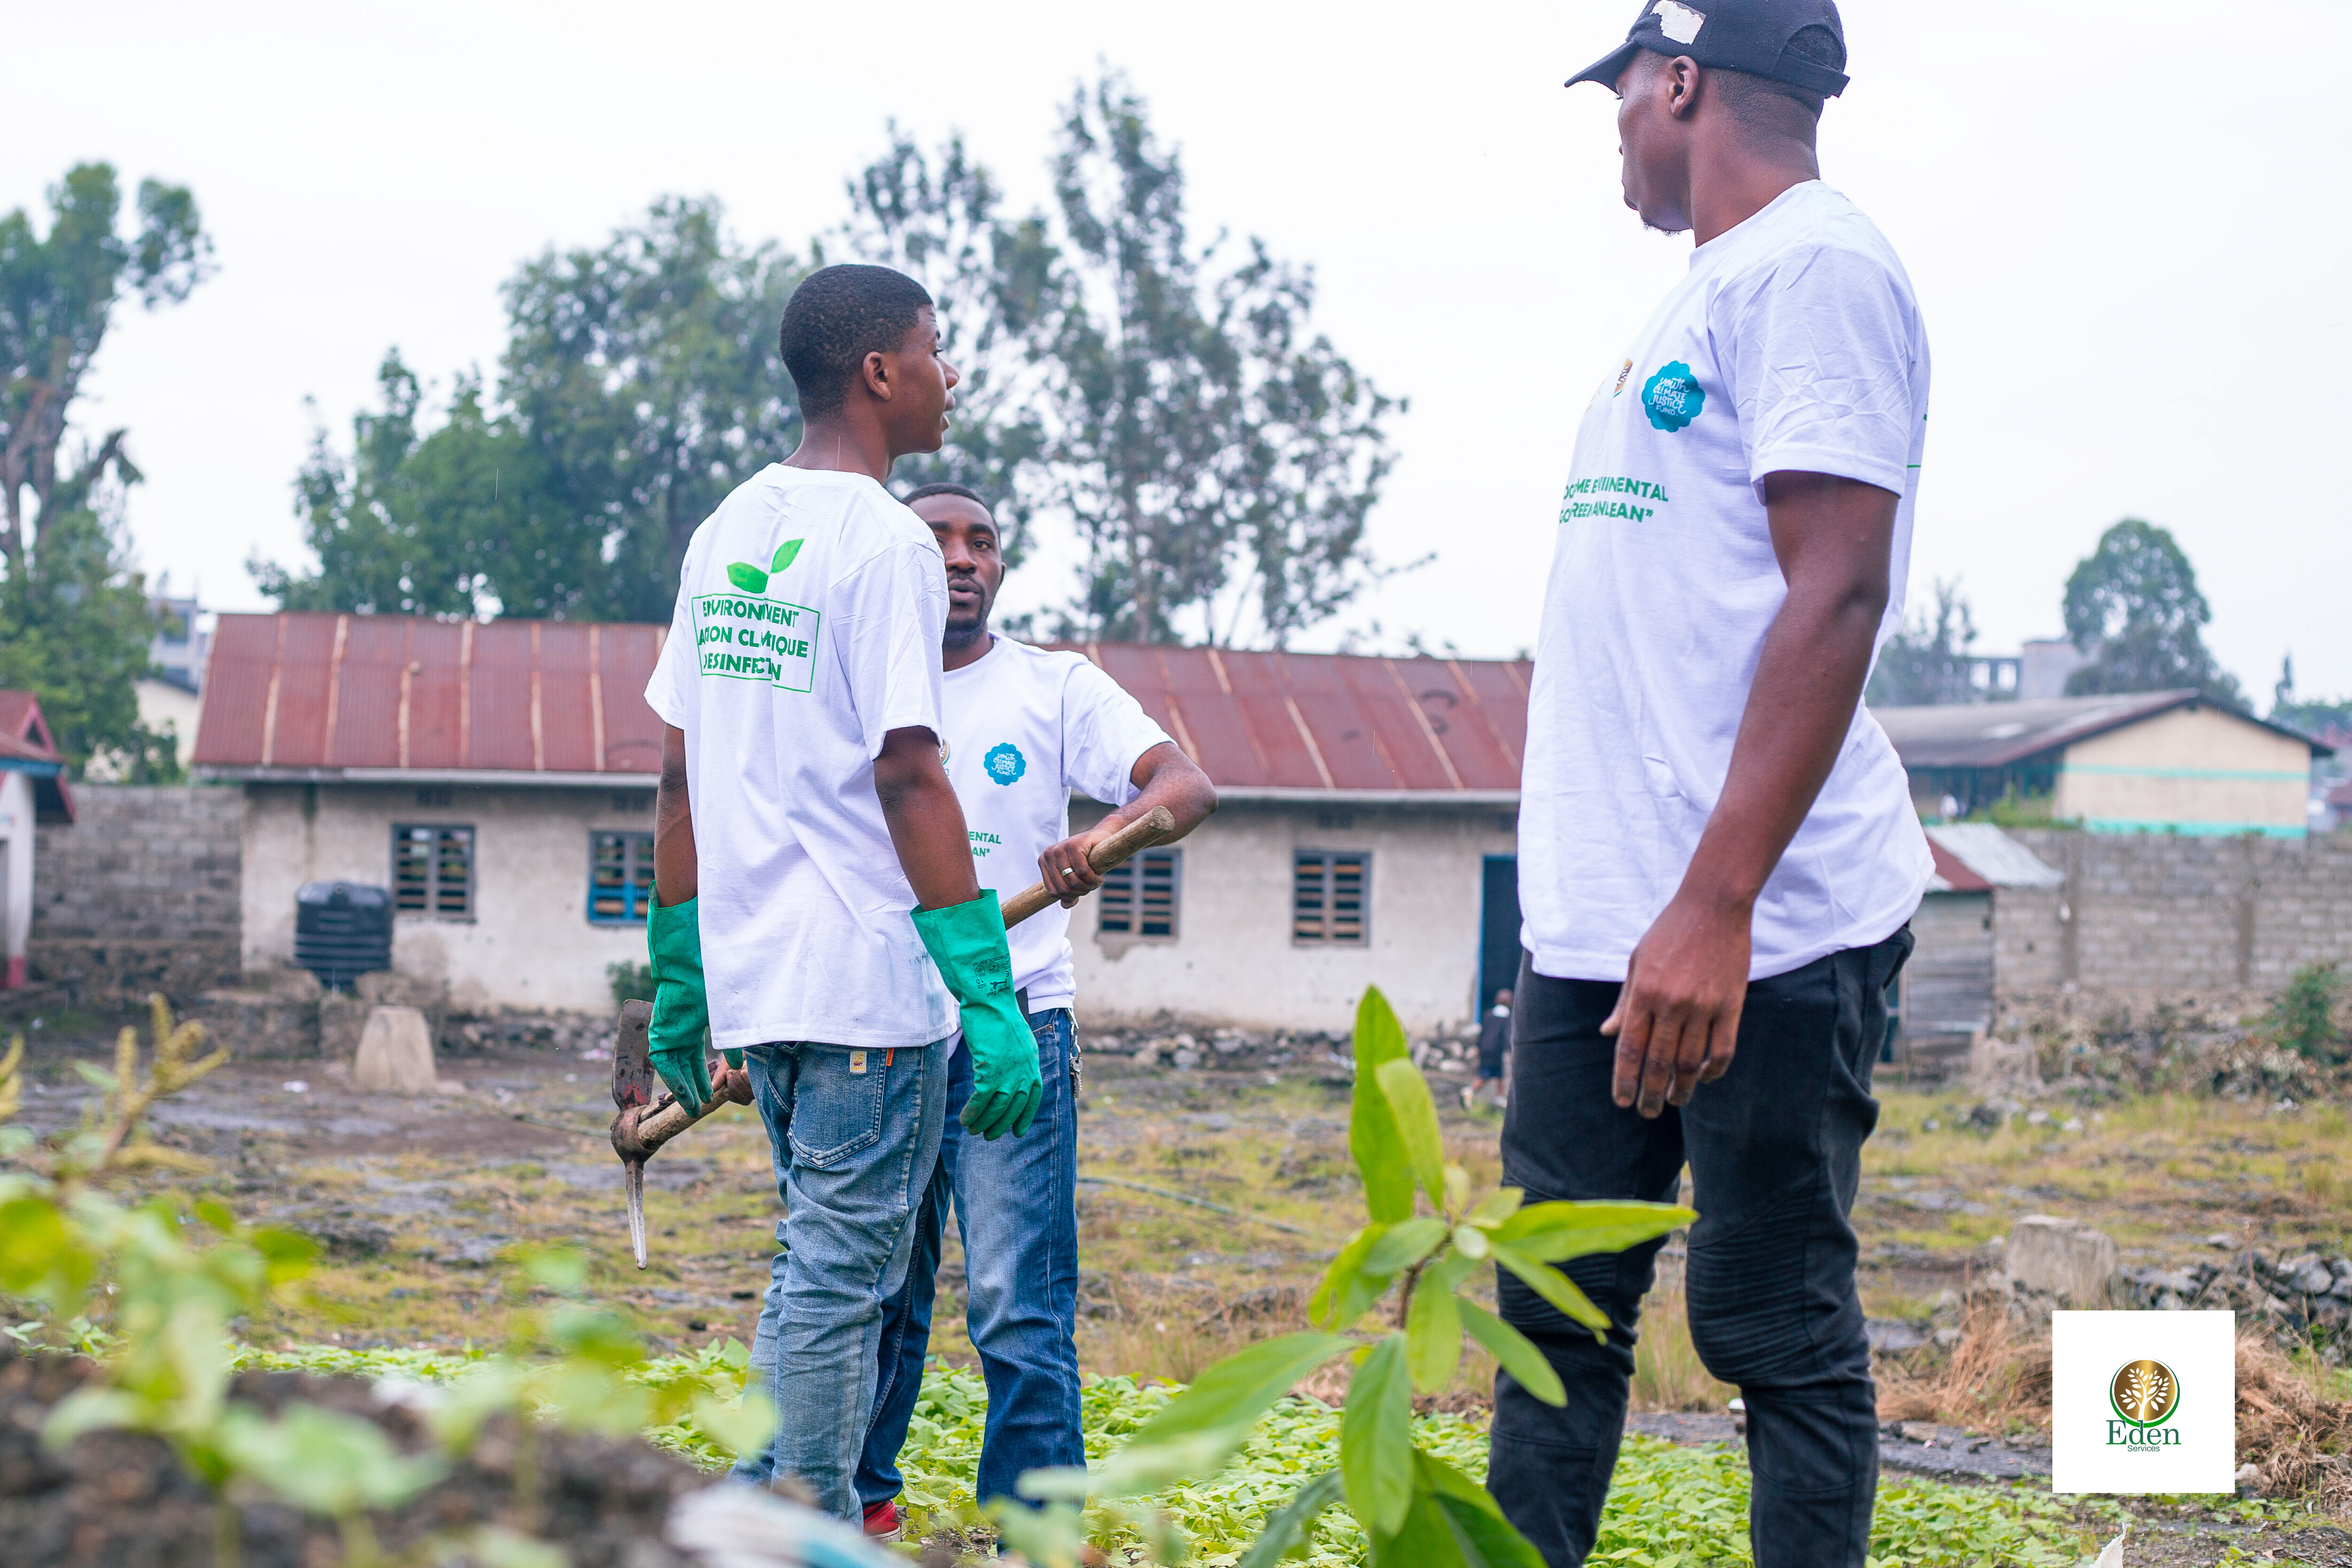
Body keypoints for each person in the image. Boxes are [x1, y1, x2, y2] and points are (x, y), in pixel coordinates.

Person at [1497, 3, 1931, 1566]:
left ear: (1675, 80)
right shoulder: (1697, 293)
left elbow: (1833, 593)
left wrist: (1712, 901)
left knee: (1766, 1316)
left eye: (1616, 93)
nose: (1610, 126)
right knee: (1549, 1313)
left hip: (1761, 922)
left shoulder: (1813, 268)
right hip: (1600, 921)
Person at [641, 263, 1049, 1523]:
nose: (950, 371)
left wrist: (678, 971)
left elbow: (675, 768)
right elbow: (911, 770)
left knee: (808, 1259)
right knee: (840, 1276)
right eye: (936, 348)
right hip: (867, 989)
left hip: (763, 985)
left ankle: (748, 1517)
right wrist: (988, 992)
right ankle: (804, 1524)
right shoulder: (881, 540)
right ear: (880, 371)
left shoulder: (727, 530)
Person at [854, 481, 1218, 1536]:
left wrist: (1110, 833)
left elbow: (1183, 785)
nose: (962, 557)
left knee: (1016, 1303)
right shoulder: (855, 688)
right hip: (876, 1029)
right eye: (936, 541)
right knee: (875, 1289)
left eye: (981, 541)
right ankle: (855, 1507)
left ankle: (1035, 1534)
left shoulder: (1053, 686)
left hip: (1014, 1022)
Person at [1464, 987, 1512, 1111]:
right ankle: (1469, 1091)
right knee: (1486, 1075)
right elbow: (1507, 1036)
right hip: (1496, 1052)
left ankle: (1499, 1099)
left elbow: (1482, 1033)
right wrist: (1510, 1051)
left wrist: (1478, 1048)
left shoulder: (1488, 1015)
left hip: (1485, 1050)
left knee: (1499, 1075)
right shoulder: (1507, 1018)